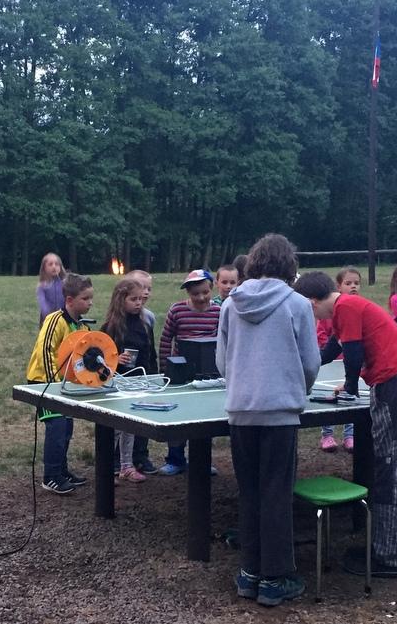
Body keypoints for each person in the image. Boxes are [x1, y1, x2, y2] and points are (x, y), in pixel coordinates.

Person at [294, 271, 397, 579]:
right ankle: (384, 548)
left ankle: (387, 558)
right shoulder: (344, 309)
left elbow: (353, 353)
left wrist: (350, 387)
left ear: (311, 303)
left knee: (392, 469)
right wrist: (301, 369)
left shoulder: (346, 307)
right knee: (396, 466)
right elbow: (331, 350)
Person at [218, 234, 319, 607]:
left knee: (250, 490)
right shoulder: (297, 304)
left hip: (241, 410)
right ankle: (275, 578)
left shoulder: (230, 304)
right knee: (276, 492)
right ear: (289, 265)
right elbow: (311, 362)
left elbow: (222, 360)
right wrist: (297, 389)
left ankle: (249, 572)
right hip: (279, 411)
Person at [26, 273, 95, 494]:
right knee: (56, 427)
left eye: (91, 298)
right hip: (44, 383)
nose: (90, 303)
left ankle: (62, 471)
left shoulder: (81, 325)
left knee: (66, 428)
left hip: (64, 386)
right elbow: (45, 351)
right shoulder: (55, 320)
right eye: (85, 298)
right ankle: (51, 476)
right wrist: (53, 386)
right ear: (70, 300)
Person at [157, 269, 222, 475]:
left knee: (205, 417)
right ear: (188, 293)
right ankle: (175, 459)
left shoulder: (218, 311)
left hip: (209, 374)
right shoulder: (177, 311)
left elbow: (224, 341)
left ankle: (201, 460)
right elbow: (166, 339)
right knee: (179, 416)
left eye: (205, 292)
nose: (201, 297)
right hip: (181, 372)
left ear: (211, 289)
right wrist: (165, 368)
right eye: (195, 294)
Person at [100, 277, 157, 482]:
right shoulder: (110, 327)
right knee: (115, 429)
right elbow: (99, 360)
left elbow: (150, 354)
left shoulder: (144, 324)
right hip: (116, 384)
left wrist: (153, 379)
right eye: (133, 299)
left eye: (141, 299)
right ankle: (108, 468)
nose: (138, 303)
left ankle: (126, 466)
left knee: (130, 428)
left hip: (139, 383)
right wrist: (116, 359)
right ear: (120, 299)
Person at [315, 266, 361, 453]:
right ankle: (327, 435)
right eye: (348, 283)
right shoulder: (331, 311)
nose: (353, 286)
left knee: (351, 396)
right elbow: (328, 340)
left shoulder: (355, 308)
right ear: (338, 287)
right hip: (333, 366)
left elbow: (354, 345)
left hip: (350, 365)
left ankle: (350, 436)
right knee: (332, 400)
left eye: (356, 283)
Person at [123, 269, 159, 474]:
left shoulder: (149, 318)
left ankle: (141, 455)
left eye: (148, 289)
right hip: (126, 379)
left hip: (146, 376)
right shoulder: (118, 320)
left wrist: (154, 374)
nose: (145, 292)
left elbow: (150, 349)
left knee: (144, 415)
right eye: (141, 287)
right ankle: (121, 460)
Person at [36, 252, 66, 327]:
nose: (54, 267)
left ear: (60, 267)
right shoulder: (42, 286)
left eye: (56, 264)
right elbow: (42, 303)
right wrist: (49, 315)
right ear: (44, 268)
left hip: (64, 316)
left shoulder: (65, 283)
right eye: (50, 264)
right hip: (48, 318)